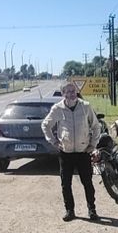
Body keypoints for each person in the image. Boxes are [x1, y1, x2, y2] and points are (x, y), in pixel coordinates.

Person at [42, 82, 104, 221]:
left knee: (87, 182)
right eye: (68, 91)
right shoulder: (58, 108)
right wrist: (54, 141)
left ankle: (92, 210)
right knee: (66, 184)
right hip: (66, 153)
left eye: (73, 91)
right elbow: (46, 125)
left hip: (83, 152)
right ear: (63, 94)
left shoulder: (85, 106)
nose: (71, 94)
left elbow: (95, 126)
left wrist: (93, 144)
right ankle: (70, 211)